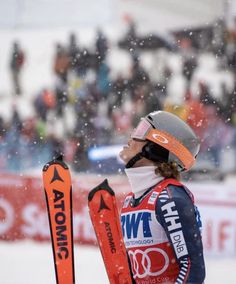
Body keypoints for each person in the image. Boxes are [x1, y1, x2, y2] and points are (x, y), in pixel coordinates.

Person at [119, 110, 205, 284]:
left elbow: (192, 269)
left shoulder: (169, 199)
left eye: (140, 131)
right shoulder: (130, 202)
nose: (131, 137)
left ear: (156, 146)